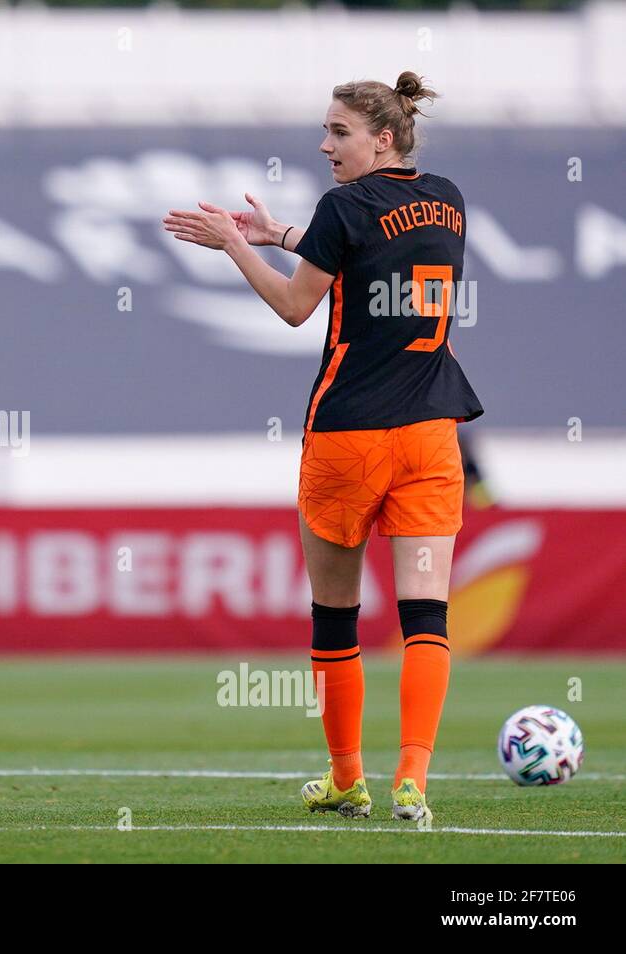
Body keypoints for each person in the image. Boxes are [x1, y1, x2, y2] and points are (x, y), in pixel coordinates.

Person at [163, 72, 482, 826]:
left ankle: (348, 778)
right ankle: (413, 781)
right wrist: (280, 235)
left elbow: (295, 306)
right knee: (426, 615)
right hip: (433, 432)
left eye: (339, 132)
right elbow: (376, 259)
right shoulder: (449, 200)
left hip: (349, 435)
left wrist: (238, 247)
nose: (324, 143)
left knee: (336, 612)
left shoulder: (341, 206)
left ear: (383, 137)